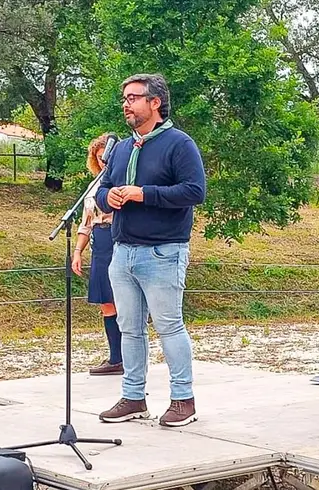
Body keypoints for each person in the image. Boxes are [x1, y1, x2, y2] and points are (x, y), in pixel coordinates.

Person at [95, 73, 206, 427]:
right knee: (130, 329)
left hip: (162, 252)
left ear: (154, 103)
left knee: (169, 326)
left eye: (133, 97)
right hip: (122, 251)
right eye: (124, 98)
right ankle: (133, 397)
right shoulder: (122, 148)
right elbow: (103, 188)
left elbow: (194, 191)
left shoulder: (179, 144)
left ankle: (182, 400)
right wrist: (107, 197)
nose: (126, 104)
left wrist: (145, 194)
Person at [72, 134, 122, 376]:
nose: (103, 161)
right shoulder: (93, 186)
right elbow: (86, 223)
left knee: (125, 299)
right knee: (106, 300)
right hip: (100, 241)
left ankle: (131, 356)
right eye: (99, 157)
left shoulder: (123, 179)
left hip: (120, 237)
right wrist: (78, 251)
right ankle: (115, 357)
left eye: (107, 156)